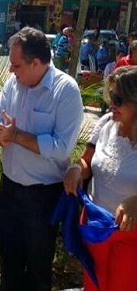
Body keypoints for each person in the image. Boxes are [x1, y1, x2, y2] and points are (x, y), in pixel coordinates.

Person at [0, 27, 84, 291]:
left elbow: (62, 148)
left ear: (37, 63)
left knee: (38, 269)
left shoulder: (66, 91)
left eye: (16, 65)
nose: (10, 71)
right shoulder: (13, 84)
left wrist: (15, 135)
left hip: (43, 198)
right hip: (9, 191)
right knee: (9, 264)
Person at [63, 66, 137, 291]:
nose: (110, 104)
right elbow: (87, 161)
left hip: (130, 233)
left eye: (117, 98)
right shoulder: (105, 123)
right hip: (95, 227)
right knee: (93, 285)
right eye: (109, 96)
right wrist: (77, 168)